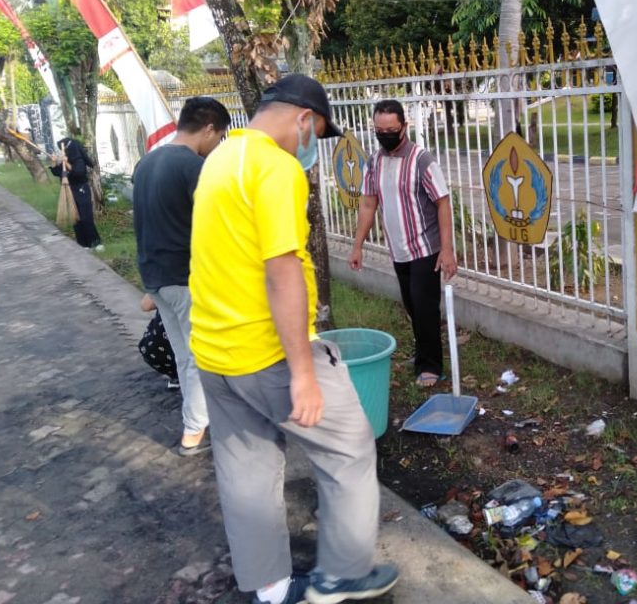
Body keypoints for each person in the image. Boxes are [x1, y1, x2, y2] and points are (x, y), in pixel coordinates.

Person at [189, 75, 398, 604]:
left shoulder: (221, 158)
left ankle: (272, 588)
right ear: (304, 119)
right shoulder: (275, 167)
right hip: (268, 353)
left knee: (247, 471)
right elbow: (282, 270)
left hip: (213, 351)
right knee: (349, 447)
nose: (312, 149)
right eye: (318, 134)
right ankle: (342, 575)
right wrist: (304, 373)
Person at [133, 96, 230, 455]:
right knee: (199, 358)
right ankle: (194, 431)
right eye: (219, 136)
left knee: (184, 355)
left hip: (156, 277)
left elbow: (146, 222)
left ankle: (197, 421)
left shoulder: (147, 162)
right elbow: (214, 226)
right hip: (186, 278)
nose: (217, 144)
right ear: (208, 129)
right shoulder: (194, 167)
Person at [348, 98, 457, 388]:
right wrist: (357, 246)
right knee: (411, 306)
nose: (385, 135)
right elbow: (368, 204)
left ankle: (431, 366)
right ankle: (422, 354)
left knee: (424, 308)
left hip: (425, 248)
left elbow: (443, 203)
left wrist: (447, 249)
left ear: (404, 127)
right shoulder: (374, 162)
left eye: (391, 130)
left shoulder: (421, 160)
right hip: (398, 250)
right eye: (379, 130)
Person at [49, 136, 102, 250]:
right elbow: (57, 172)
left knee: (86, 217)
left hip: (81, 190)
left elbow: (78, 173)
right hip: (70, 190)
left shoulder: (78, 160)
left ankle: (95, 242)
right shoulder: (65, 159)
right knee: (76, 218)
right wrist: (54, 162)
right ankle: (83, 244)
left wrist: (66, 163)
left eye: (63, 149)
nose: (62, 151)